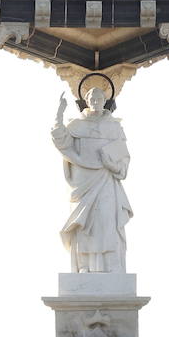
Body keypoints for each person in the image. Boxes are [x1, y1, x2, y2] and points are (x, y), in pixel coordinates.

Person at [52, 86, 132, 273]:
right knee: (85, 223)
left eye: (99, 98)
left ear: (105, 101)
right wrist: (59, 114)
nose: (95, 102)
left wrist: (112, 165)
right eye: (92, 99)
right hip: (83, 182)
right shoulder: (77, 125)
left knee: (107, 220)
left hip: (105, 178)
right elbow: (61, 140)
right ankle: (84, 266)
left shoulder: (114, 126)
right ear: (86, 102)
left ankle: (111, 265)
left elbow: (124, 158)